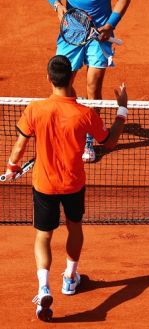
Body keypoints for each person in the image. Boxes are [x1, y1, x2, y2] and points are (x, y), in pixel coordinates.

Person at [3, 55, 128, 322]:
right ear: (73, 78)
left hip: (44, 186)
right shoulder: (84, 114)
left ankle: (43, 286)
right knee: (74, 227)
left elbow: (19, 147)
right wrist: (122, 110)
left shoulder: (34, 109)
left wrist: (12, 167)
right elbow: (110, 142)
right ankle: (70, 278)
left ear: (48, 78)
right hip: (73, 184)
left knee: (43, 237)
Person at [46, 0, 131, 163]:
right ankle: (67, 125)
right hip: (71, 31)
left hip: (99, 36)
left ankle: (88, 139)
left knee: (93, 85)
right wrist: (58, 6)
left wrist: (110, 25)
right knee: (64, 83)